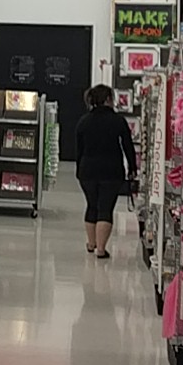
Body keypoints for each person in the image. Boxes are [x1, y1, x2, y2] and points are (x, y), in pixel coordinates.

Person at [74, 84, 136, 258]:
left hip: (87, 171)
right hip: (111, 170)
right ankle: (101, 249)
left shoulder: (83, 121)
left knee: (91, 205)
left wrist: (79, 169)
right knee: (105, 208)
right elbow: (128, 147)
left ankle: (91, 243)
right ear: (108, 99)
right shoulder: (118, 121)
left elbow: (79, 150)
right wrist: (132, 168)